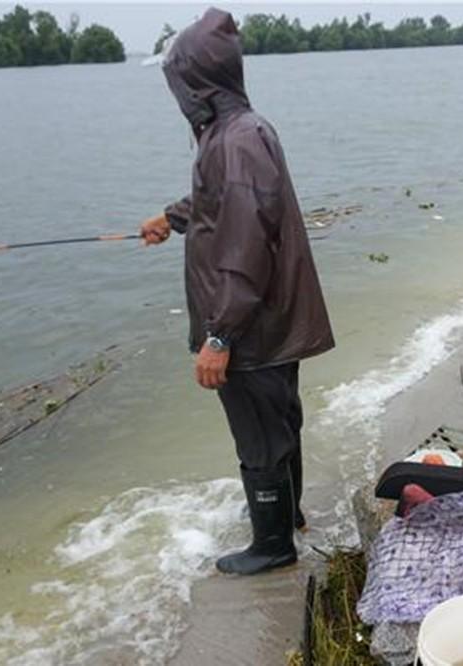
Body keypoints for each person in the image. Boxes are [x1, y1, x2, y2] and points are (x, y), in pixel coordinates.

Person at [140, 8, 334, 575]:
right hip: (270, 320)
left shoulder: (235, 140)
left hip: (251, 326)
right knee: (279, 420)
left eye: (178, 82)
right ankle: (290, 516)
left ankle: (272, 546)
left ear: (196, 82)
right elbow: (223, 201)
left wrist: (220, 335)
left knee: (259, 432)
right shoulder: (238, 131)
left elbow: (245, 245)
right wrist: (173, 217)